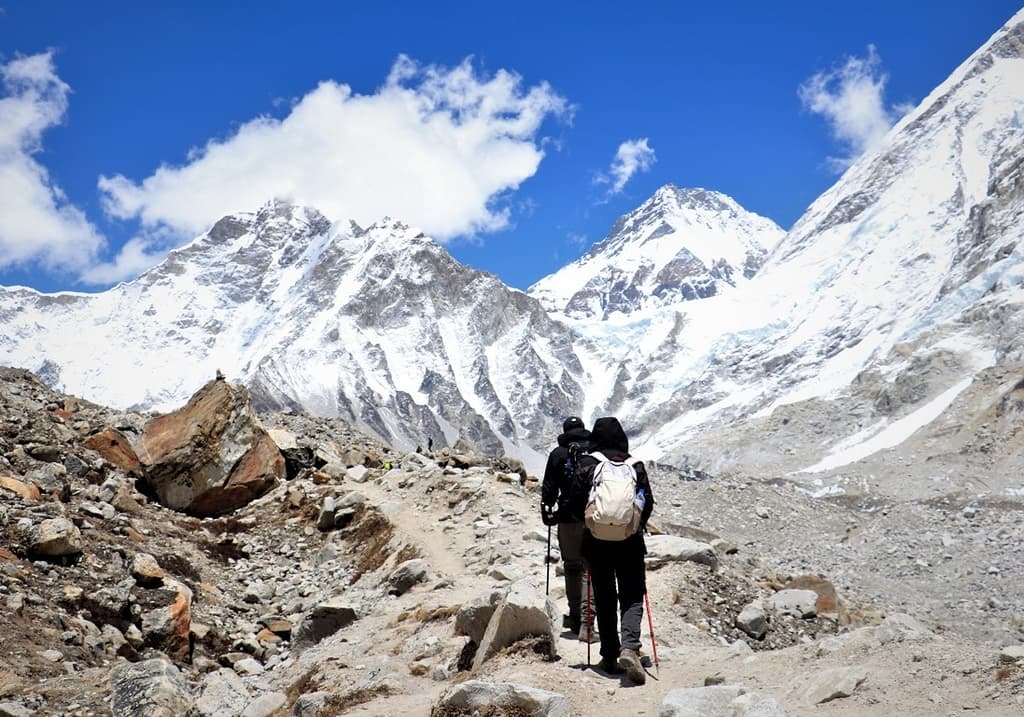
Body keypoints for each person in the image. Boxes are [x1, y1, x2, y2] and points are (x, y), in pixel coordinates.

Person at [577, 416, 654, 684]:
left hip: (596, 542)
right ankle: (630, 647)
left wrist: (589, 524)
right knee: (632, 594)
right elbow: (647, 501)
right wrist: (635, 526)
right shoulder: (635, 466)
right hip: (629, 543)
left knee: (604, 596)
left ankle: (609, 655)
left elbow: (575, 500)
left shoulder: (588, 464)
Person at [540, 416, 591, 635]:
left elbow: (549, 488)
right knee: (591, 569)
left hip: (568, 518)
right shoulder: (594, 452)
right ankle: (590, 617)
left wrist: (548, 510)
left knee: (572, 567)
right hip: (594, 517)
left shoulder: (558, 454)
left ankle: (576, 616)